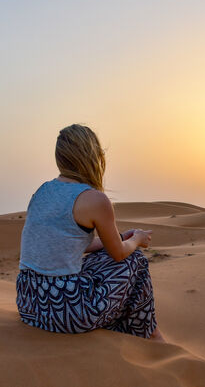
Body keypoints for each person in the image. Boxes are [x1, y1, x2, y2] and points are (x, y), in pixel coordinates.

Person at [16, 123, 165, 342]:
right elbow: (119, 254)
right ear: (93, 156)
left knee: (99, 259)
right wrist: (137, 240)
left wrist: (123, 237)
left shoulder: (42, 191)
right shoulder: (93, 199)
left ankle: (135, 329)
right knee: (136, 261)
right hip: (67, 312)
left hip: (29, 305)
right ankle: (149, 335)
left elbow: (74, 245)